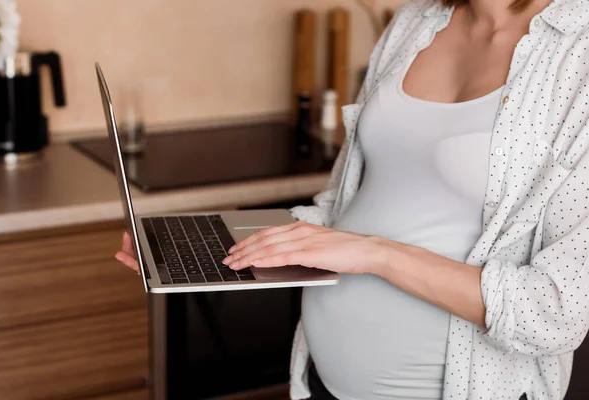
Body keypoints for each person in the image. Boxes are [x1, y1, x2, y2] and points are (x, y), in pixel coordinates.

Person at [116, 0, 589, 398]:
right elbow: (339, 209)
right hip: (322, 380)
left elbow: (555, 313)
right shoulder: (417, 21)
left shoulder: (579, 52)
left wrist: (376, 253)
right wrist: (207, 247)